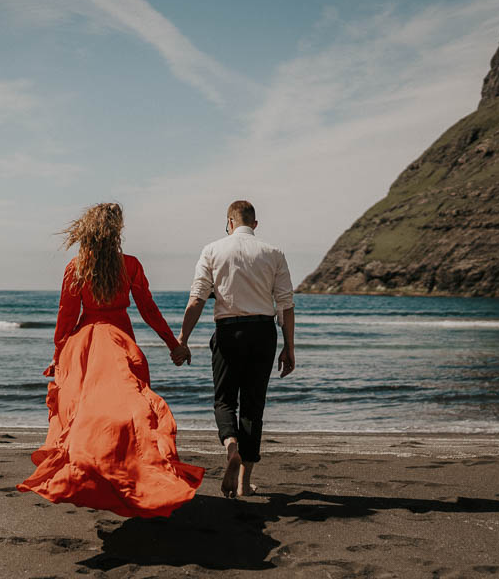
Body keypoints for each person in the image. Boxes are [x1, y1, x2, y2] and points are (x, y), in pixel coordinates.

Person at [17, 203, 204, 517]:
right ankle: (133, 478)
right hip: (121, 345)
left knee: (84, 419)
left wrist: (58, 356)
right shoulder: (129, 265)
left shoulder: (76, 267)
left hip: (85, 349)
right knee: (134, 417)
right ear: (116, 231)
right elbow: (148, 310)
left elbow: (65, 319)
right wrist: (174, 345)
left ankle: (92, 476)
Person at [173, 200, 295, 498]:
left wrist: (182, 340)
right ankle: (243, 483)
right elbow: (286, 304)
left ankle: (231, 448)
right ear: (254, 224)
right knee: (254, 406)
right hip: (263, 332)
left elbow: (198, 298)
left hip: (228, 332)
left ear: (229, 222)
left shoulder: (212, 250)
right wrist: (289, 348)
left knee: (225, 400)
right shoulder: (274, 253)